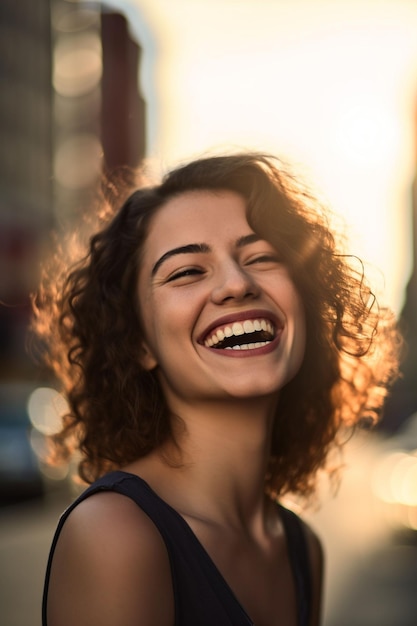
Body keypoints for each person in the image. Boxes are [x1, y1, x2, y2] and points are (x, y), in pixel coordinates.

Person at [33, 153, 400, 626]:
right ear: (139, 342)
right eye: (187, 271)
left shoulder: (301, 548)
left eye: (262, 257)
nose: (236, 283)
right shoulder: (116, 533)